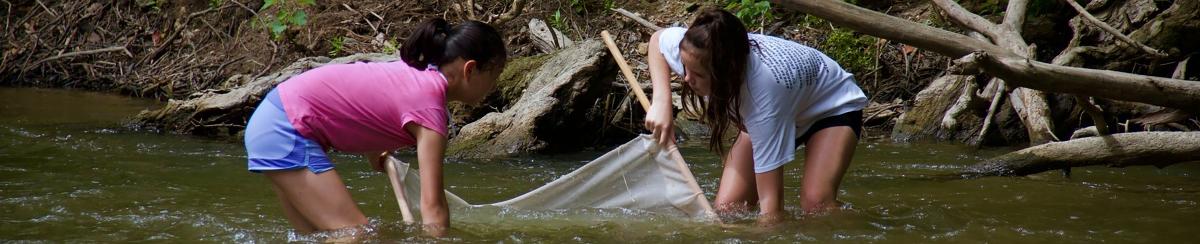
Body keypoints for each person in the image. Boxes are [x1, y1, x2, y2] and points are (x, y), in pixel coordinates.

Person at [243, 18, 506, 237]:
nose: (492, 87)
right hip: (287, 130)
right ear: (470, 70)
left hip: (274, 119)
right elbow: (433, 208)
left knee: (317, 237)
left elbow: (368, 102)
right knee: (355, 235)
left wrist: (376, 151)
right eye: (493, 77)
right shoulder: (431, 111)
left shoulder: (416, 73)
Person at [643, 8, 868, 225]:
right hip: (783, 103)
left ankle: (876, 226)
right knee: (728, 210)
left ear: (726, 73)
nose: (686, 79)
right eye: (684, 67)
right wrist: (662, 103)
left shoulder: (762, 99)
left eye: (698, 74)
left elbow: (772, 210)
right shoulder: (697, 47)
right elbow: (657, 41)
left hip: (830, 107)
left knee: (816, 205)